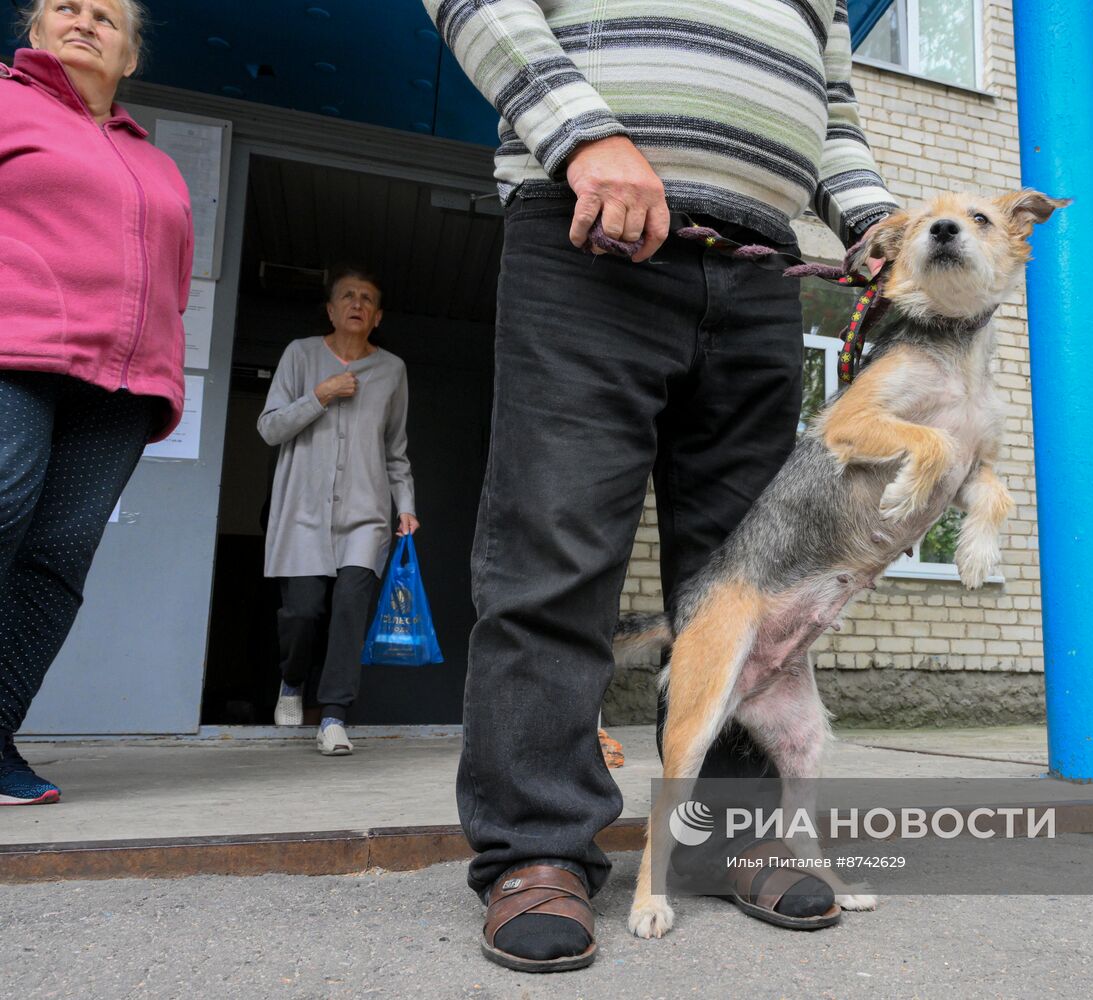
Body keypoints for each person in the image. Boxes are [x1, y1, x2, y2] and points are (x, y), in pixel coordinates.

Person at [427, 0, 900, 971]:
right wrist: (582, 132)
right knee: (552, 550)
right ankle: (539, 850)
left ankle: (738, 830)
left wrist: (874, 221)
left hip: (761, 268)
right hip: (587, 227)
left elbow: (834, 115)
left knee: (744, 589)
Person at [0, 0, 191, 806]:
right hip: (15, 347)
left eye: (105, 16)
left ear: (130, 56)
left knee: (58, 556)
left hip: (121, 382)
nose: (84, 21)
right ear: (33, 32)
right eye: (65, 8)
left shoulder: (157, 161)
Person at [258, 266, 419, 757]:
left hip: (366, 513)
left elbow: (395, 448)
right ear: (330, 309)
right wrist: (320, 395)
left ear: (377, 316)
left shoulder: (392, 370)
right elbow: (269, 428)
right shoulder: (299, 355)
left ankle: (333, 716)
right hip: (302, 510)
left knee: (351, 610)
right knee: (302, 613)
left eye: (367, 298)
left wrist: (406, 506)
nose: (357, 303)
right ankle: (291, 682)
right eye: (347, 295)